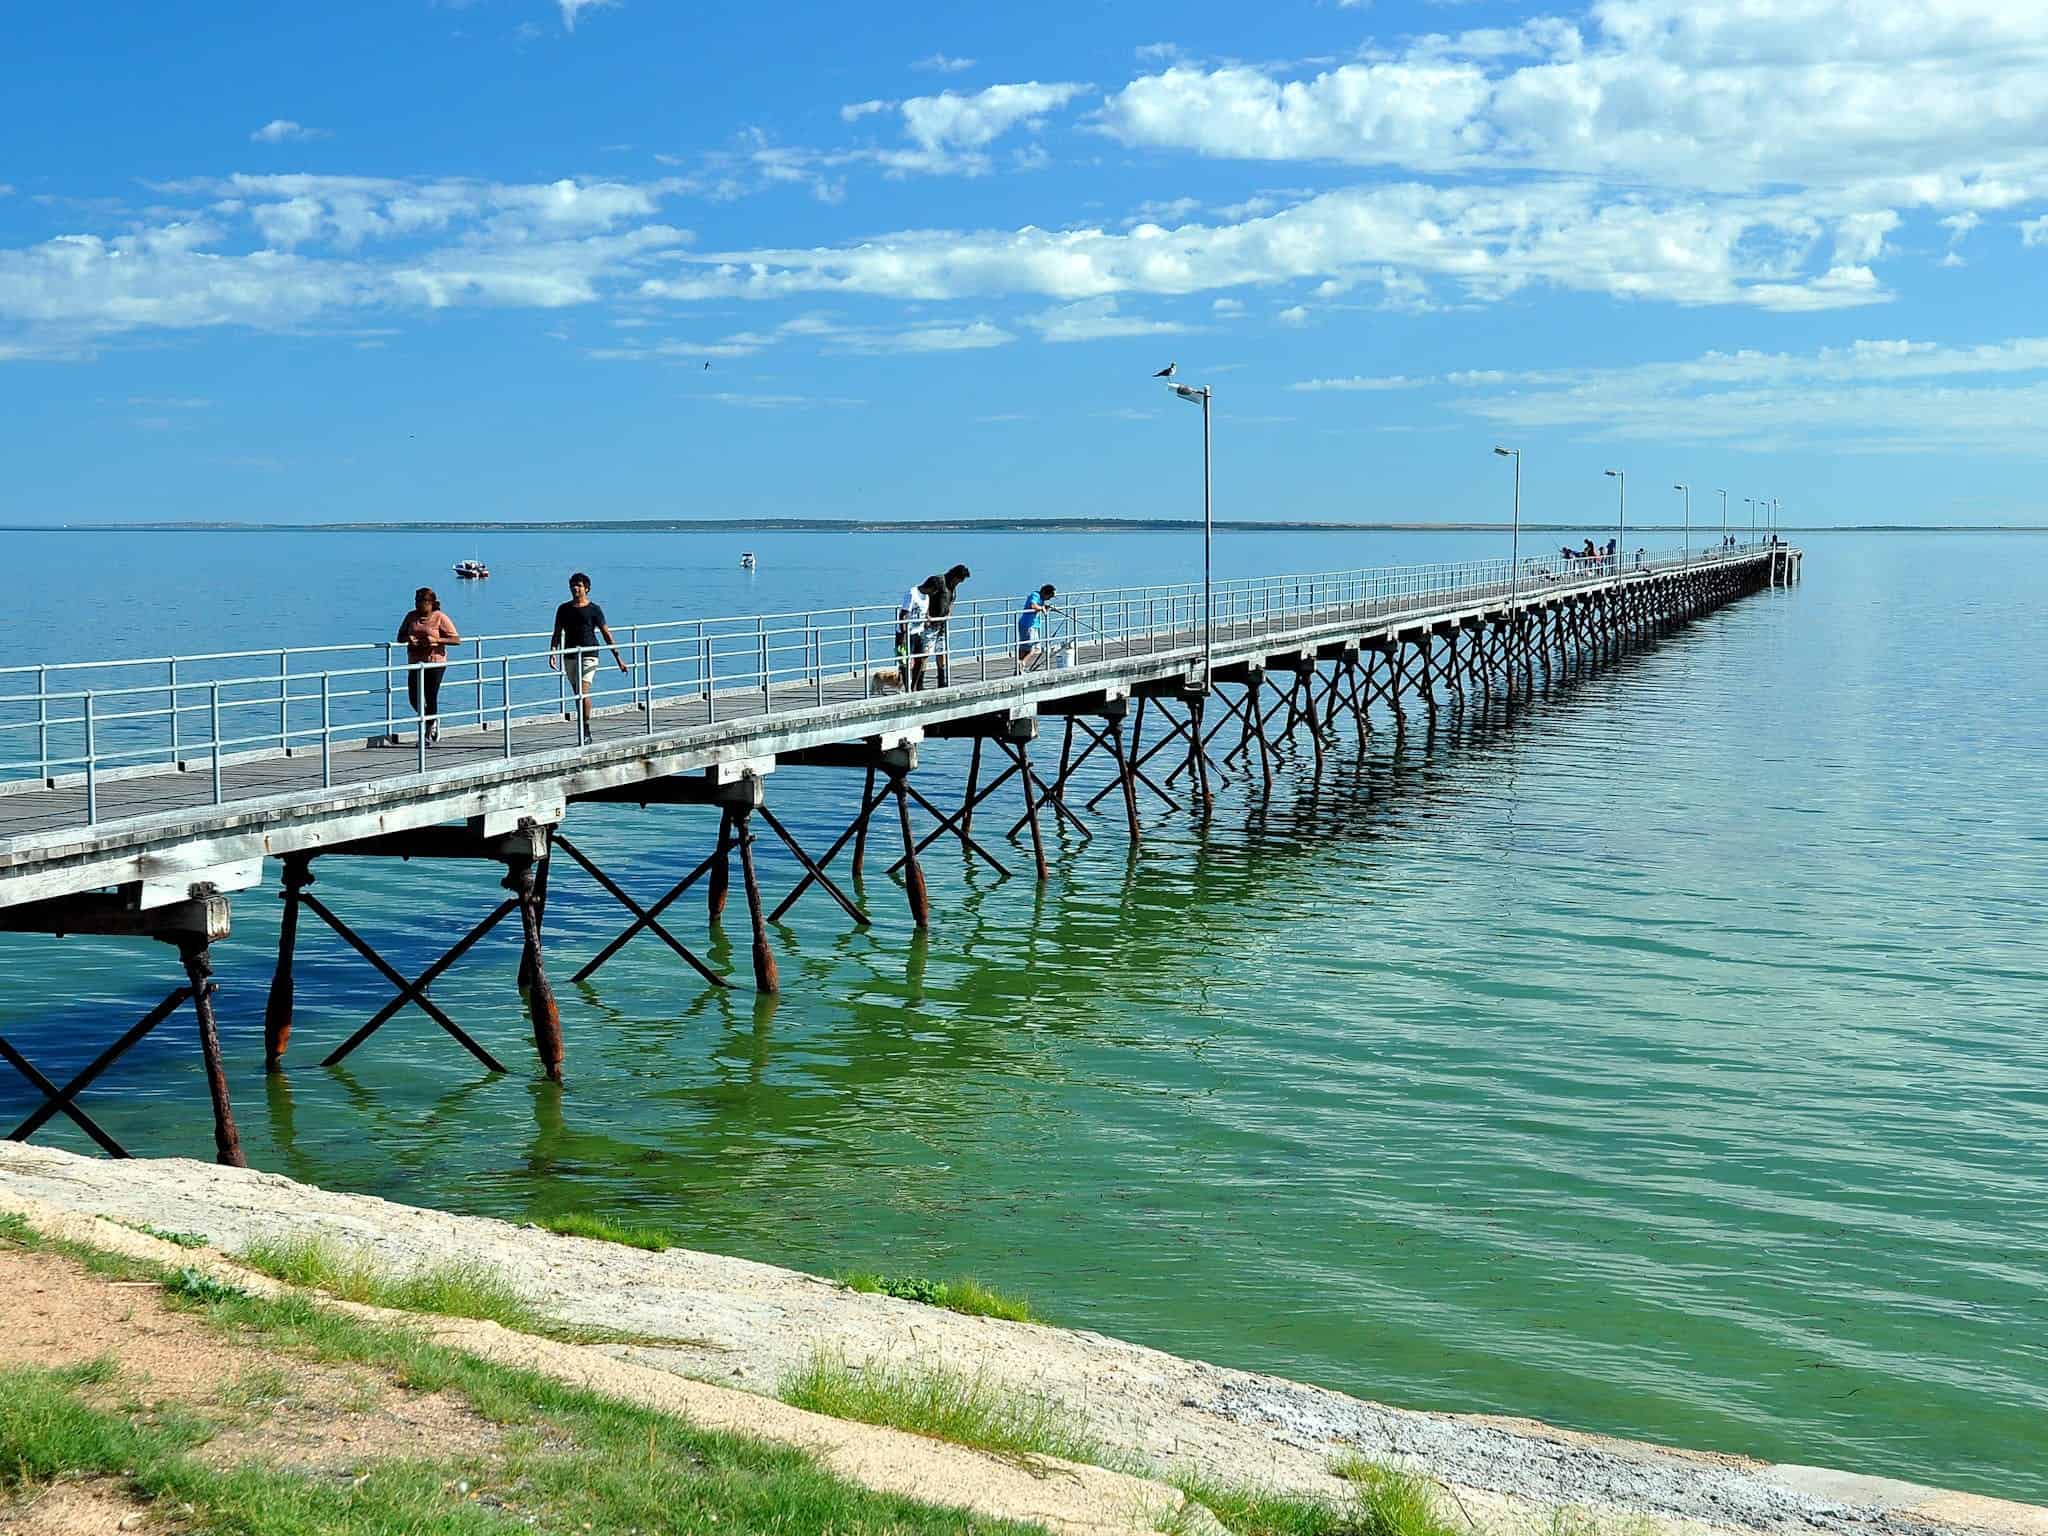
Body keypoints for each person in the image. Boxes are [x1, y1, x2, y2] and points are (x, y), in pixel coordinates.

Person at [549, 572, 628, 744]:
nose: (575, 588)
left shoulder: (594, 609)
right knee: (576, 693)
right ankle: (582, 726)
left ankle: (585, 728)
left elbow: (606, 634)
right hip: (569, 653)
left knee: (583, 693)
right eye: (572, 585)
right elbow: (557, 632)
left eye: (579, 585)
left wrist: (618, 659)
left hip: (589, 654)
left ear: (587, 588)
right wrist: (553, 652)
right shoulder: (563, 609)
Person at [392, 587, 459, 747]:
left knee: (430, 696)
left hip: (435, 662)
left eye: (421, 602)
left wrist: (436, 641)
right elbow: (399, 637)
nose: (418, 605)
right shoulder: (411, 616)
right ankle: (432, 718)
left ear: (430, 603)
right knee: (414, 698)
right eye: (416, 601)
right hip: (415, 662)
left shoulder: (440, 617)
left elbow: (456, 639)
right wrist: (409, 638)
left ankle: (427, 735)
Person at [924, 563, 970, 687]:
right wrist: (926, 615)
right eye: (959, 580)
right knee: (925, 652)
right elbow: (923, 594)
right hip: (929, 624)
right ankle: (919, 682)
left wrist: (949, 613)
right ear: (954, 576)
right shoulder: (938, 581)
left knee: (941, 650)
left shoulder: (953, 588)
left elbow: (952, 601)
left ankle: (941, 680)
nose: (958, 583)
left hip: (942, 625)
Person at [897, 577, 931, 690]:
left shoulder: (927, 596)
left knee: (920, 659)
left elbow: (925, 611)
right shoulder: (912, 593)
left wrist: (927, 619)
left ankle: (913, 686)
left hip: (919, 632)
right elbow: (903, 614)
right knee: (904, 661)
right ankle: (906, 687)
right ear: (929, 587)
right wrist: (903, 634)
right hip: (906, 633)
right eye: (933, 591)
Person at [1017, 583, 1056, 671]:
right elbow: (1032, 605)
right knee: (1034, 648)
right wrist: (1042, 608)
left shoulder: (1041, 599)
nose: (1050, 599)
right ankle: (1021, 663)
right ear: (1045, 593)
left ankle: (1020, 667)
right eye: (1050, 596)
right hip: (1029, 625)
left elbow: (1038, 606)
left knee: (1025, 648)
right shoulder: (1035, 595)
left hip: (1032, 625)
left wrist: (1045, 607)